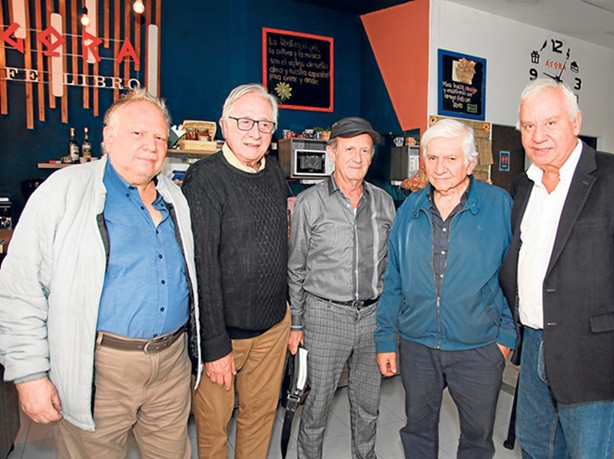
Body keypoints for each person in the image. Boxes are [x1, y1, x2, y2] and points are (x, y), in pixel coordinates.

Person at [0, 88, 201, 458]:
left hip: (171, 364)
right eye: (138, 133)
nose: (151, 145)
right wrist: (29, 374)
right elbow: (20, 288)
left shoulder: (175, 198)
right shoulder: (65, 191)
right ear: (108, 137)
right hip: (99, 368)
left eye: (159, 137)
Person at [498, 79, 614, 458]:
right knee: (535, 449)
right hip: (534, 346)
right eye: (528, 126)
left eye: (551, 123)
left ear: (576, 123)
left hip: (593, 359)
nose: (538, 136)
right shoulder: (524, 187)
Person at [376, 118, 516, 458]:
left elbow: (516, 276)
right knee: (418, 431)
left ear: (470, 162)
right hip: (418, 346)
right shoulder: (409, 209)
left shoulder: (499, 205)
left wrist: (505, 338)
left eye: (451, 158)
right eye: (433, 158)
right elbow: (393, 279)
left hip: (479, 348)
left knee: (477, 439)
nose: (440, 168)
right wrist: (385, 339)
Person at [182, 83, 290, 459]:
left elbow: (278, 247)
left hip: (272, 328)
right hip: (225, 334)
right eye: (244, 121)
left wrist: (289, 318)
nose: (255, 132)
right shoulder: (204, 178)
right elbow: (202, 267)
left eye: (264, 124)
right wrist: (214, 345)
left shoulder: (275, 174)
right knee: (213, 428)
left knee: (259, 420)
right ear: (224, 125)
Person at [288, 117, 396, 459]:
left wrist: (390, 323)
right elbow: (296, 267)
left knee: (368, 404)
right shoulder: (309, 203)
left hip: (372, 318)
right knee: (317, 405)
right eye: (349, 149)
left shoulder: (384, 203)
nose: (358, 157)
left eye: (365, 150)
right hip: (324, 317)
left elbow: (391, 266)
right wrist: (296, 324)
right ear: (332, 153)